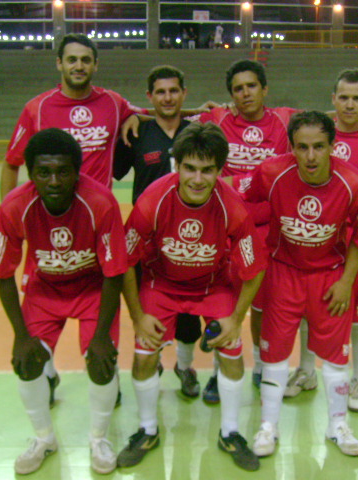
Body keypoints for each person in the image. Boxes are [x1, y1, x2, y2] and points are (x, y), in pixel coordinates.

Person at [193, 59, 358, 404]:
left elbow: (325, 120)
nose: (245, 93)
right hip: (228, 223)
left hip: (272, 229)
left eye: (251, 86)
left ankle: (262, 368)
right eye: (238, 89)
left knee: (264, 306)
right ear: (230, 95)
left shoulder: (285, 119)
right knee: (220, 298)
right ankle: (217, 370)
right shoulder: (219, 118)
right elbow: (170, 115)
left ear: (265, 89)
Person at [116, 123, 267, 472]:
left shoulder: (233, 207)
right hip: (161, 284)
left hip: (213, 286)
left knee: (232, 353)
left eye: (207, 170)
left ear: (220, 170)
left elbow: (255, 268)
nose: (198, 179)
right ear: (177, 165)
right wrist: (138, 316)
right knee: (143, 355)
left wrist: (235, 319)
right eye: (190, 168)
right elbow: (125, 260)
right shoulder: (152, 200)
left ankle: (230, 433)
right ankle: (147, 430)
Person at [0, 128, 128, 474]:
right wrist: (20, 336)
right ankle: (44, 438)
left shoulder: (100, 202)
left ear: (77, 172)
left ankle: (98, 439)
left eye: (63, 171)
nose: (53, 181)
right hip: (45, 290)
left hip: (93, 289)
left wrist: (101, 338)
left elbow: (114, 273)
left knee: (101, 363)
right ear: (30, 173)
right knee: (27, 362)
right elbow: (2, 273)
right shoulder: (14, 206)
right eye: (43, 172)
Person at [231, 111, 358, 457]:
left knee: (336, 358)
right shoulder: (271, 172)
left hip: (330, 277)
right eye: (302, 147)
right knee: (275, 353)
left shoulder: (356, 185)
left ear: (333, 146)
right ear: (291, 147)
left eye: (319, 147)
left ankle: (338, 425)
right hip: (283, 273)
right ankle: (268, 426)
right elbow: (233, 192)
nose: (310, 156)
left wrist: (346, 282)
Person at [286, 69, 358, 411]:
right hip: (318, 238)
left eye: (357, 99)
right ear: (333, 99)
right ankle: (306, 371)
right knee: (310, 308)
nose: (350, 104)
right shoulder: (317, 134)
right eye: (343, 97)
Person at [113, 65, 203, 398]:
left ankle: (185, 366)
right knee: (151, 306)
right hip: (148, 238)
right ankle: (155, 361)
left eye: (174, 91)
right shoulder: (137, 133)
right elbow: (113, 171)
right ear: (150, 97)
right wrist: (132, 118)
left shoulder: (196, 131)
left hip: (190, 235)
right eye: (161, 92)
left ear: (184, 94)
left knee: (189, 312)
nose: (168, 98)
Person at [0, 33, 142, 199]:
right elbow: (11, 163)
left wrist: (135, 116)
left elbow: (157, 113)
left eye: (86, 60)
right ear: (59, 63)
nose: (79, 66)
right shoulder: (36, 108)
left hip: (97, 208)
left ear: (95, 65)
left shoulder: (113, 102)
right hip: (53, 208)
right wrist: (7, 209)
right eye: (72, 60)